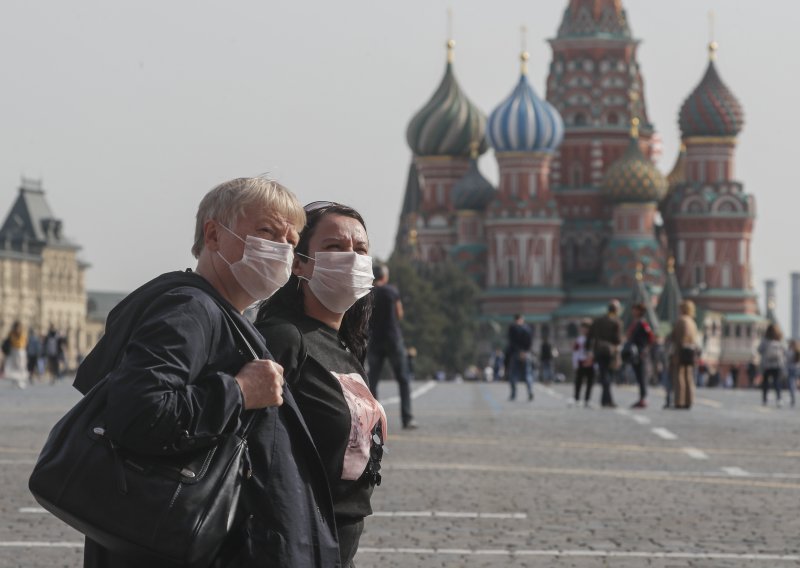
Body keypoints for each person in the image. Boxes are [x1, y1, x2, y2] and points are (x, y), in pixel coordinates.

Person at [73, 178, 339, 567]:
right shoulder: (189, 310)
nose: (280, 250)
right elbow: (139, 413)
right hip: (169, 542)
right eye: (266, 232)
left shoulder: (216, 311)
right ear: (213, 234)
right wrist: (240, 391)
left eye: (289, 240)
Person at [255, 201, 386, 567]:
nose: (351, 258)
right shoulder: (283, 338)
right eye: (333, 247)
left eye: (360, 250)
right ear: (298, 263)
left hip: (337, 541)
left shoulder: (343, 344)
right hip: (294, 542)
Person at [366, 264, 416, 429]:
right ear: (385, 277)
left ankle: (373, 420)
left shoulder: (369, 292)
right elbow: (399, 313)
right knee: (403, 379)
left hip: (375, 339)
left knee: (372, 380)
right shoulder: (392, 291)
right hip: (393, 339)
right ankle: (407, 418)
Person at [587, 300, 623, 408]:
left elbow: (590, 335)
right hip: (610, 351)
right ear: (616, 310)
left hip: (598, 350)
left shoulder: (598, 320)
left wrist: (588, 349)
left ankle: (604, 400)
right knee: (608, 376)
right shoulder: (616, 322)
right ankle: (608, 400)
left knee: (603, 374)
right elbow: (617, 339)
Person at [625, 302, 656, 409]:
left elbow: (651, 337)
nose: (633, 311)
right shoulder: (635, 322)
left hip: (641, 353)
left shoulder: (643, 324)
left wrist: (645, 349)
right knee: (638, 376)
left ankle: (644, 398)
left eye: (635, 309)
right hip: (635, 353)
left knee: (642, 376)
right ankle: (641, 397)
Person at [671, 299, 699, 409]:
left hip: (681, 351)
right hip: (691, 352)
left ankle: (680, 400)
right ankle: (689, 400)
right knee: (689, 377)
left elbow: (677, 336)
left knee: (679, 376)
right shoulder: (692, 322)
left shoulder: (682, 320)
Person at [506, 314, 534, 401]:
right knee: (527, 374)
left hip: (516, 353)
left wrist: (519, 351)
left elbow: (511, 342)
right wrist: (525, 351)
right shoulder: (527, 329)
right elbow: (529, 342)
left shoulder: (512, 328)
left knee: (513, 374)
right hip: (526, 354)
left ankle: (513, 394)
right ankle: (529, 391)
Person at [758, 323, 786, 408]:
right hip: (777, 364)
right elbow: (784, 351)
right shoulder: (779, 339)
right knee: (776, 382)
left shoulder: (765, 339)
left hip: (767, 364)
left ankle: (765, 400)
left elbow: (759, 350)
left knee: (765, 382)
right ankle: (779, 399)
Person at [572, 319, 594, 407]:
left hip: (590, 362)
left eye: (587, 328)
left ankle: (587, 399)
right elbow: (575, 352)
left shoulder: (593, 340)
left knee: (590, 382)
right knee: (579, 381)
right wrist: (575, 363)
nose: (585, 330)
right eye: (584, 328)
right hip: (581, 361)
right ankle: (576, 398)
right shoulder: (579, 340)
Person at [3, 321, 28, 389]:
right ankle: (15, 381)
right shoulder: (11, 334)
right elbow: (9, 341)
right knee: (13, 366)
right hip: (13, 351)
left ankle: (21, 381)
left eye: (18, 327)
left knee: (21, 366)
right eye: (16, 327)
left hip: (20, 351)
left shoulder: (23, 333)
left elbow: (23, 342)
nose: (17, 329)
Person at [787, 340, 799, 408]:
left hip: (791, 368)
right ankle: (794, 391)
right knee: (794, 382)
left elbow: (786, 360)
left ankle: (793, 395)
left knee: (791, 383)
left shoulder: (790, 352)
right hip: (798, 368)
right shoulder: (798, 351)